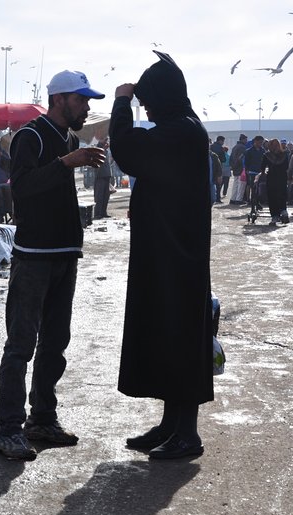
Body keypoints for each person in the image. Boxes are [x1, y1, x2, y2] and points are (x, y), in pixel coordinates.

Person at [0, 70, 106, 461]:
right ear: (60, 100)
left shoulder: (69, 138)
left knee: (55, 342)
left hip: (63, 254)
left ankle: (42, 419)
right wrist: (66, 163)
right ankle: (6, 429)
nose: (87, 107)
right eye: (81, 100)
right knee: (21, 344)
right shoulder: (31, 136)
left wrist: (72, 160)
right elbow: (20, 189)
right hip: (34, 257)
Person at [109, 51, 213, 460]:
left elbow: (129, 150)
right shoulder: (180, 127)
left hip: (178, 255)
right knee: (167, 331)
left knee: (181, 334)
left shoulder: (184, 131)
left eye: (150, 101)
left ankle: (187, 433)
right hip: (168, 249)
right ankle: (172, 425)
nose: (146, 108)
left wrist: (122, 104)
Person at [260, 139, 291, 226]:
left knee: (272, 197)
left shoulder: (267, 155)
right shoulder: (285, 155)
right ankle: (284, 212)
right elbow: (287, 167)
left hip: (271, 178)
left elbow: (262, 167)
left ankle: (275, 216)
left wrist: (262, 173)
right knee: (282, 196)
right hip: (282, 178)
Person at [93, 138, 115, 218]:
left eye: (107, 140)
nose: (106, 142)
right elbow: (99, 159)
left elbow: (109, 161)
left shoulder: (106, 150)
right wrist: (104, 150)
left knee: (106, 196)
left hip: (107, 175)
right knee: (100, 196)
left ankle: (103, 212)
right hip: (100, 175)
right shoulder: (98, 149)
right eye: (105, 140)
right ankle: (98, 213)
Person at [228, 134, 248, 204]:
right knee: (241, 185)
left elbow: (231, 158)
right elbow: (241, 158)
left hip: (235, 168)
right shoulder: (243, 148)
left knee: (235, 184)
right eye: (245, 139)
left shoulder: (234, 147)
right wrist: (244, 167)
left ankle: (232, 199)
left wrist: (232, 166)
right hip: (240, 168)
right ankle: (239, 199)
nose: (246, 141)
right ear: (242, 140)